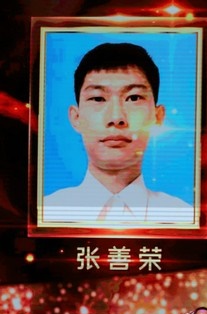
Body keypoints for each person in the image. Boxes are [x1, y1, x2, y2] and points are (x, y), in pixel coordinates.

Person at [42, 42, 193, 225]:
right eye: (98, 98)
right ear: (76, 117)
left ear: (158, 116)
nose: (116, 118)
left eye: (133, 98)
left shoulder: (183, 218)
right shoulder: (47, 214)